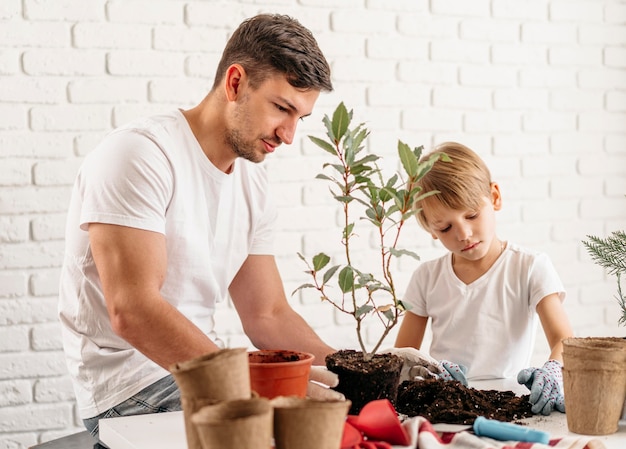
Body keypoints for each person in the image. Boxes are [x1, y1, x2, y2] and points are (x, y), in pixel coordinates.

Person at [58, 13, 342, 440]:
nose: (289, 135)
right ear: (235, 83)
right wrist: (253, 387)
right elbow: (132, 310)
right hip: (132, 388)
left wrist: (353, 371)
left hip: (205, 371)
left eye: (300, 117)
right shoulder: (140, 155)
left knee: (343, 416)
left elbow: (268, 314)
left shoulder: (253, 182)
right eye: (282, 108)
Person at [393, 142, 574, 415]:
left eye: (472, 215)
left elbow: (564, 339)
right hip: (446, 406)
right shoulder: (426, 277)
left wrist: (553, 371)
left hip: (512, 405)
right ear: (431, 229)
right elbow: (404, 356)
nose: (463, 233)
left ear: (495, 197)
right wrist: (426, 375)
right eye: (445, 227)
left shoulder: (530, 267)